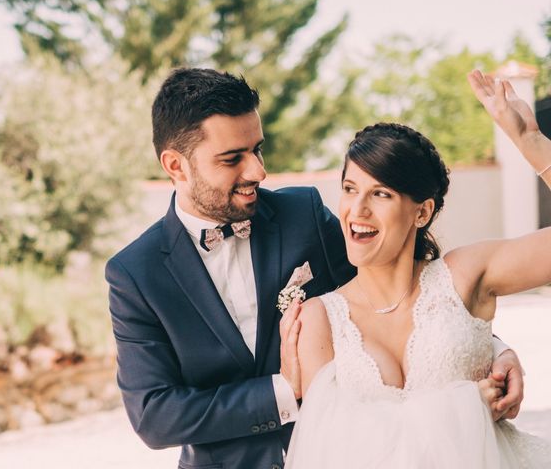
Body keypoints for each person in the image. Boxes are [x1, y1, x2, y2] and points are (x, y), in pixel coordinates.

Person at [105, 68, 524, 469]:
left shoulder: (302, 215)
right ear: (176, 165)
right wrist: (283, 391)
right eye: (233, 158)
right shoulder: (135, 274)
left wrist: (490, 347)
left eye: (257, 149)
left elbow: (392, 293)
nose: (258, 171)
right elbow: (156, 415)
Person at [280, 70, 551, 468]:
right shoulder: (320, 318)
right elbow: (332, 452)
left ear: (421, 212)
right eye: (350, 188)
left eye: (381, 194)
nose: (358, 210)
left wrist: (531, 143)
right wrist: (465, 408)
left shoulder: (464, 275)